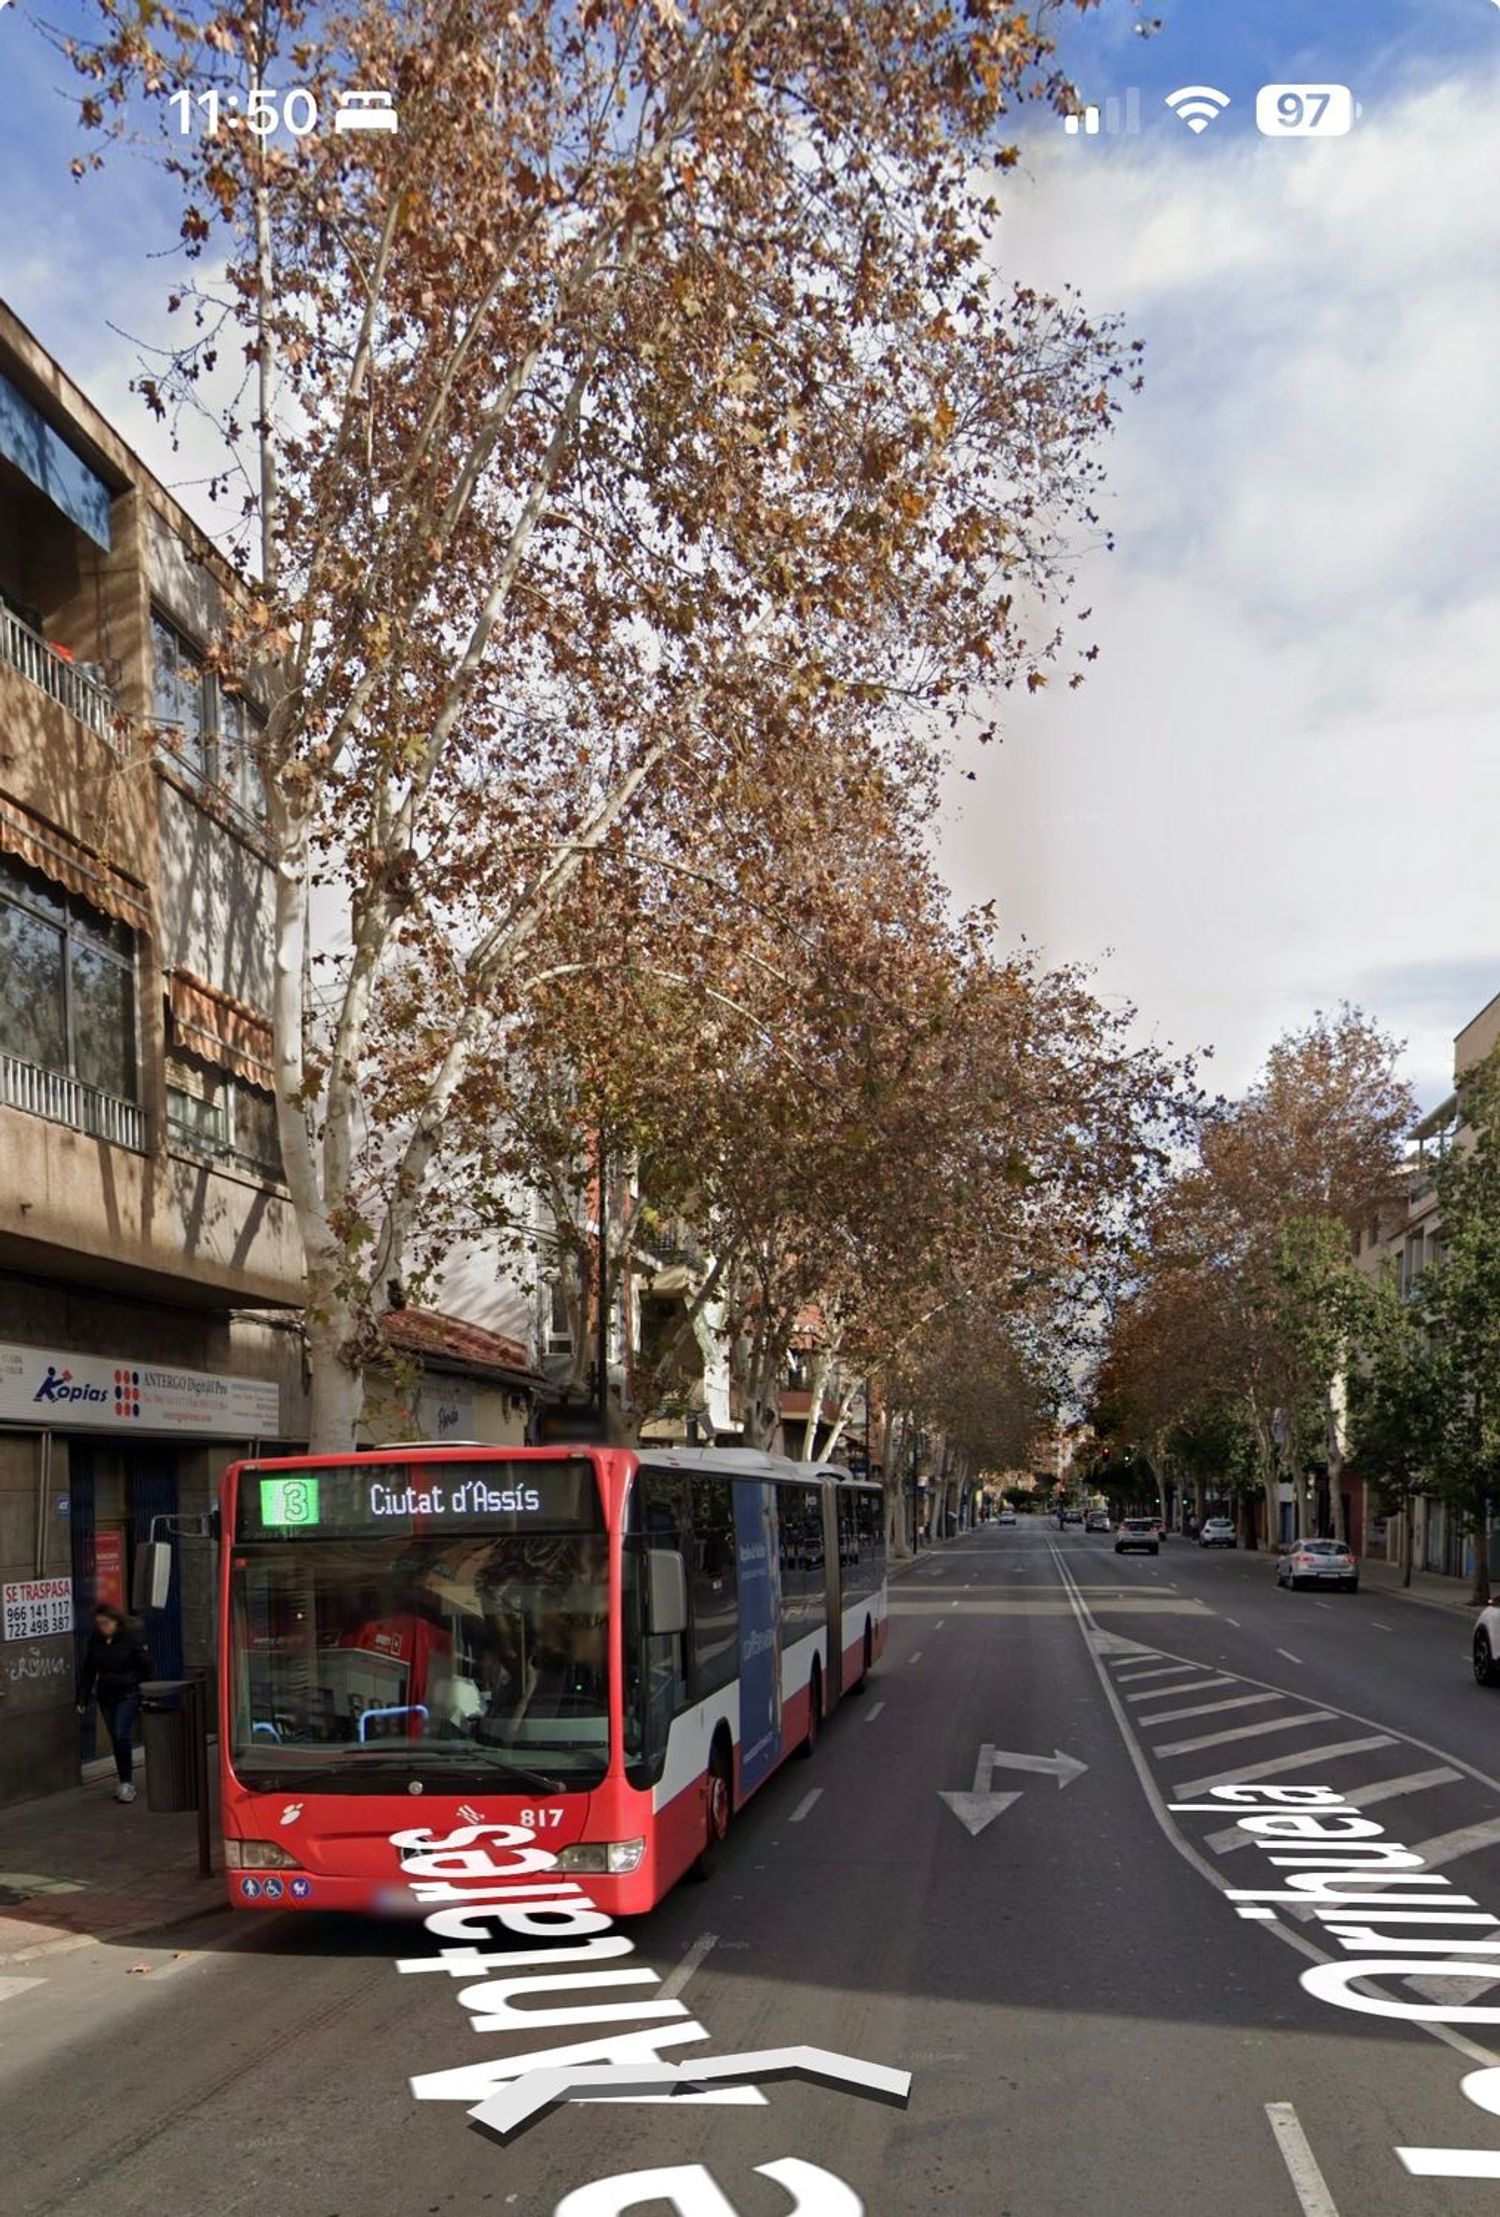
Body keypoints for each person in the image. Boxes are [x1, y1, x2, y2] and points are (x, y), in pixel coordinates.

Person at [77, 1603, 152, 1802]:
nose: (103, 1627)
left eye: (106, 1623)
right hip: (106, 1695)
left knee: (120, 1733)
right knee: (117, 1739)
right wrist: (82, 1698)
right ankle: (123, 1778)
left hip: (129, 1692)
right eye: (100, 1624)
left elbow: (146, 1665)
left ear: (116, 1622)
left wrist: (147, 1691)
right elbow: (89, 1670)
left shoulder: (130, 1638)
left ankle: (126, 1783)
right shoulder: (96, 1641)